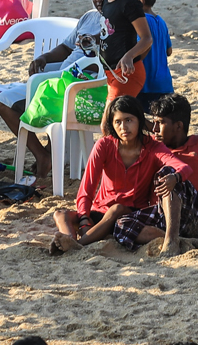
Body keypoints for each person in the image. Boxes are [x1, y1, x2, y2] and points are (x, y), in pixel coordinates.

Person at [0, 0, 109, 180]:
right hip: (57, 82)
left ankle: (47, 154)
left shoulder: (117, 24)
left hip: (79, 90)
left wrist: (95, 43)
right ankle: (43, 154)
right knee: (0, 99)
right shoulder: (89, 16)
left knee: (46, 100)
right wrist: (44, 58)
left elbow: (103, 66)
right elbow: (66, 47)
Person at [51, 94, 164, 253]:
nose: (123, 127)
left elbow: (176, 165)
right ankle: (68, 239)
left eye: (129, 120)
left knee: (116, 209)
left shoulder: (152, 147)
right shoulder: (104, 145)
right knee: (61, 214)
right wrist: (84, 220)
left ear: (140, 120)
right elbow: (86, 190)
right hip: (100, 211)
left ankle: (79, 245)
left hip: (129, 214)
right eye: (118, 122)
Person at [117, 93, 198, 256]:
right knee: (122, 225)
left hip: (196, 217)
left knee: (169, 172)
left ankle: (171, 241)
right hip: (163, 217)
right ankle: (185, 241)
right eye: (154, 123)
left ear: (178, 126)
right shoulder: (151, 148)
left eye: (160, 123)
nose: (154, 129)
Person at [90, 0, 151, 109]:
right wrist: (92, 39)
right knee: (122, 116)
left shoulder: (129, 3)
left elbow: (147, 39)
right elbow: (111, 32)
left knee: (110, 118)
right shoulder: (107, 0)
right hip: (110, 72)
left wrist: (129, 56)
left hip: (126, 73)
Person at [132, 0, 172, 109]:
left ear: (140, 1)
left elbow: (141, 49)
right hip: (164, 83)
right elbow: (169, 51)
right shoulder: (161, 21)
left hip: (146, 84)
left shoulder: (141, 22)